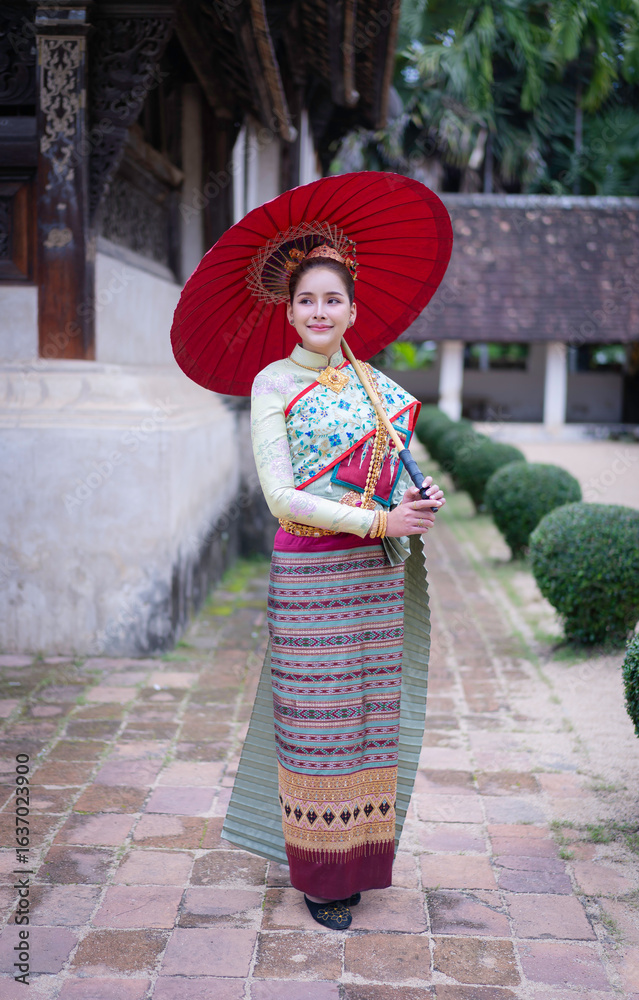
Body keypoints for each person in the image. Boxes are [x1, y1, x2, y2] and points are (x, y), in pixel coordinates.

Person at [223, 242, 444, 929]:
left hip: (374, 579)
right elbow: (282, 499)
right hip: (311, 574)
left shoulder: (378, 389)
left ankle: (360, 862)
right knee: (317, 726)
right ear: (289, 313)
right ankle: (320, 877)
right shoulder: (274, 384)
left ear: (352, 309)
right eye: (306, 300)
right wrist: (381, 520)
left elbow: (388, 477)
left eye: (332, 298)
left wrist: (417, 498)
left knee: (369, 719)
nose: (319, 310)